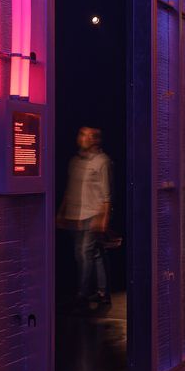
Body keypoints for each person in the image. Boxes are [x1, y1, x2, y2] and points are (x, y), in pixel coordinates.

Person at [57, 126, 112, 310]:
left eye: (89, 135)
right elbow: (69, 189)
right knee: (93, 253)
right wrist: (62, 212)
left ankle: (83, 294)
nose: (84, 138)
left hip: (93, 213)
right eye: (82, 134)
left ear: (96, 139)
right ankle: (103, 292)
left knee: (83, 253)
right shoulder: (74, 161)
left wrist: (103, 218)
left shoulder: (102, 161)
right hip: (76, 214)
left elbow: (106, 193)